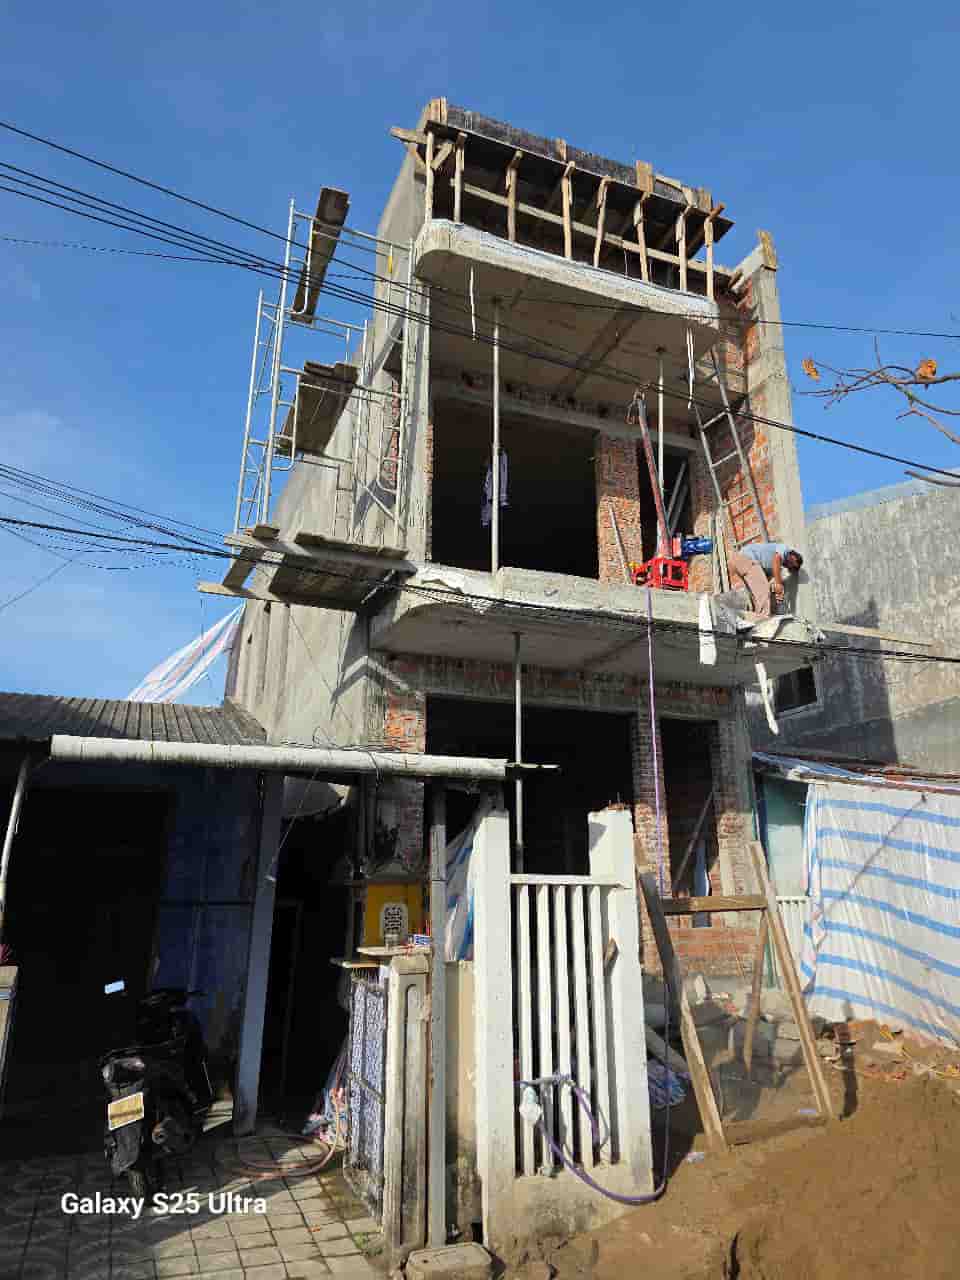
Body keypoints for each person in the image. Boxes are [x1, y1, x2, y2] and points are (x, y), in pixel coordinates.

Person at [728, 542, 803, 618]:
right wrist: (778, 583)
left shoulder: (770, 566)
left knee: (754, 599)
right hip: (747, 558)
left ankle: (755, 617)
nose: (789, 565)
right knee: (764, 595)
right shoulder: (784, 549)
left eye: (791, 567)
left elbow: (766, 577)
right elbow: (776, 559)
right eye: (791, 563)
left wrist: (775, 588)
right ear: (793, 556)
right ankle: (763, 620)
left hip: (739, 563)